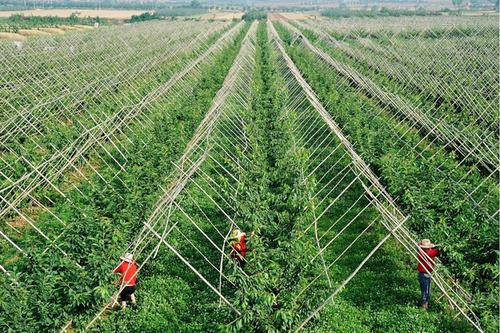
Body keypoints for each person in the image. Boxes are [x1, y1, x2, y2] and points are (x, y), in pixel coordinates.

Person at [417, 239, 440, 310]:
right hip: (424, 274)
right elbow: (437, 251)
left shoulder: (420, 251)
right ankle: (424, 306)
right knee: (425, 291)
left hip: (426, 274)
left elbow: (417, 245)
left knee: (427, 290)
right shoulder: (426, 254)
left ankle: (425, 305)